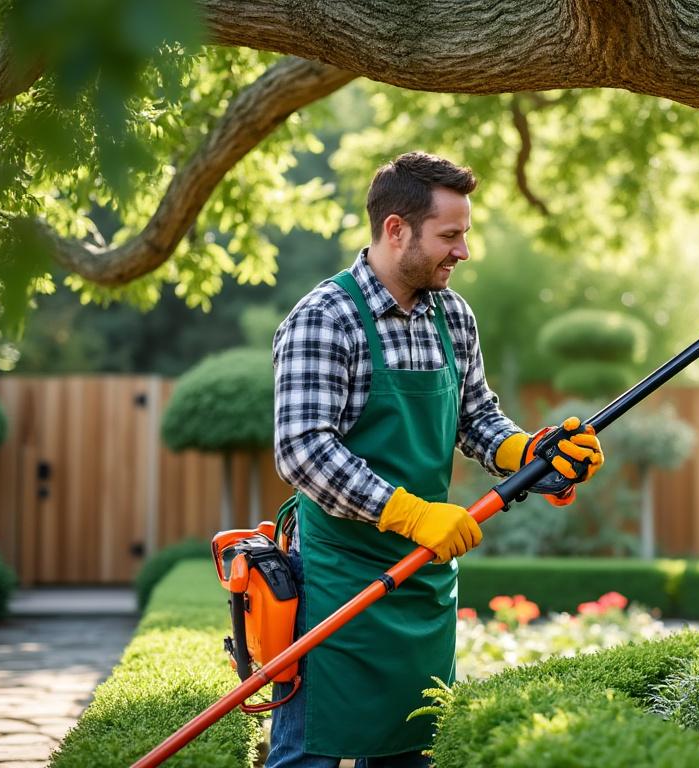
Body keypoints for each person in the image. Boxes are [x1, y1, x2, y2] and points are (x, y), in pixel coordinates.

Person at [267, 151, 604, 767]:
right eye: (451, 235)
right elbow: (302, 450)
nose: (463, 252)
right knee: (308, 756)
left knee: (414, 749)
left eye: (465, 234)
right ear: (396, 230)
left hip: (422, 580)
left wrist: (529, 451)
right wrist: (410, 513)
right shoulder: (326, 318)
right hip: (338, 581)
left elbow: (475, 417)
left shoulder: (453, 316)